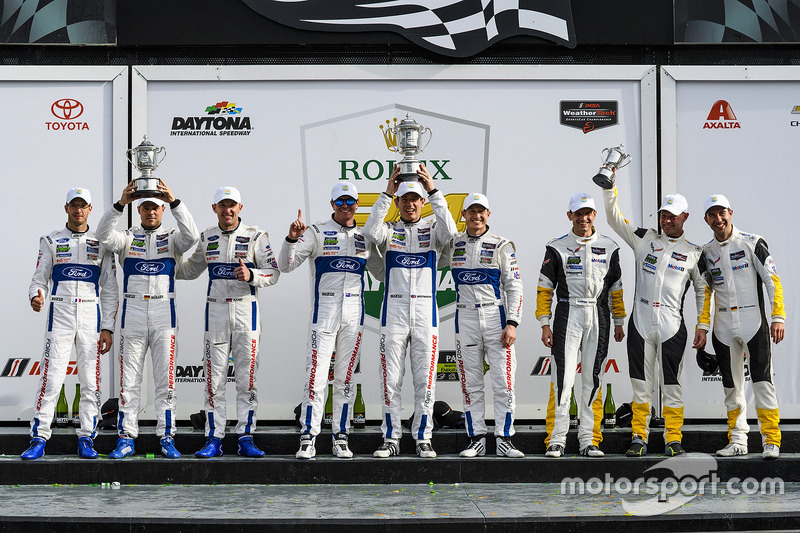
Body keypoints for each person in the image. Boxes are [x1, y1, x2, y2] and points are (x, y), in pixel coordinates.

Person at [599, 181, 710, 457]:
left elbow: (702, 291)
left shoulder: (695, 252)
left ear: (685, 217)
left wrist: (703, 326)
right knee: (640, 385)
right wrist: (609, 188)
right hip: (640, 324)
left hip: (672, 327)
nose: (667, 220)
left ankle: (673, 437)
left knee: (672, 386)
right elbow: (614, 220)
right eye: (663, 214)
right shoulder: (643, 238)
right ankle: (639, 435)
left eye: (673, 216)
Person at [96, 179, 199, 459]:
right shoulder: (127, 237)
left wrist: (175, 201)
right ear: (139, 210)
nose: (151, 212)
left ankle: (167, 437)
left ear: (162, 211)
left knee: (166, 382)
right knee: (129, 382)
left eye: (156, 208)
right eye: (146, 208)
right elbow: (103, 235)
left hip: (165, 314)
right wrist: (120, 204)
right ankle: (126, 438)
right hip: (133, 315)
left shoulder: (173, 237)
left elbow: (192, 236)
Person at [278, 182, 382, 459]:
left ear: (357, 204)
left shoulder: (366, 236)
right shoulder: (316, 231)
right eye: (340, 201)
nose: (345, 205)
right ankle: (309, 437)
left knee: (345, 379)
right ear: (332, 204)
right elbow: (286, 266)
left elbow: (382, 273)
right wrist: (291, 239)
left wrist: (389, 244)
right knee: (316, 376)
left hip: (354, 314)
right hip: (323, 311)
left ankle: (340, 436)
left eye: (350, 201)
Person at [176, 186, 280, 458]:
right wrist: (165, 261)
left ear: (240, 208)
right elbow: (189, 271)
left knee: (248, 381)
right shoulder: (207, 236)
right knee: (214, 381)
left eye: (232, 205)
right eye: (222, 205)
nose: (227, 210)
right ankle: (214, 438)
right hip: (217, 315)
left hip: (247, 314)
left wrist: (253, 275)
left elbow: (274, 273)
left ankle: (246, 436)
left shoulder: (256, 235)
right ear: (214, 209)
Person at [363, 164, 458, 458]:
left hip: (425, 313)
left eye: (415, 198)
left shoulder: (433, 228)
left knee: (424, 380)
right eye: (404, 199)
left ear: (421, 201)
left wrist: (433, 190)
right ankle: (391, 438)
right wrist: (387, 191)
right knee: (390, 379)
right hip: (393, 312)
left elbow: (452, 231)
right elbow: (369, 231)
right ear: (398, 202)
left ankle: (423, 438)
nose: (410, 204)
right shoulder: (388, 230)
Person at [21, 187, 118, 460]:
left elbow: (110, 289)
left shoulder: (102, 243)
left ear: (90, 209)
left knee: (90, 382)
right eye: (73, 205)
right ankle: (39, 437)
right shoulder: (51, 241)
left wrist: (108, 327)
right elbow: (38, 279)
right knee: (51, 380)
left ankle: (87, 436)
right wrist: (35, 296)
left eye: (83, 206)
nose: (78, 210)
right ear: (66, 208)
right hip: (60, 315)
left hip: (91, 317)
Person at [536, 193, 626, 458]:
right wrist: (544, 322)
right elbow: (544, 289)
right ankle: (557, 439)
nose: (583, 218)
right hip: (568, 311)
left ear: (594, 216)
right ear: (570, 216)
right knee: (564, 379)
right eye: (578, 214)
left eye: (588, 213)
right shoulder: (557, 246)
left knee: (592, 379)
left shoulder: (610, 247)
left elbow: (616, 289)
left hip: (598, 313)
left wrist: (619, 320)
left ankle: (589, 439)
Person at [702, 194, 785, 460]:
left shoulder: (752, 242)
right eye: (712, 215)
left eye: (722, 213)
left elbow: (773, 281)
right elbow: (704, 294)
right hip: (723, 325)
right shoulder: (706, 252)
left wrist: (778, 317)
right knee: (731, 386)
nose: (718, 219)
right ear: (706, 219)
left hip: (754, 322)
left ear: (731, 212)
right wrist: (703, 326)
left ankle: (771, 439)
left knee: (762, 381)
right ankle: (737, 439)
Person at [445, 193, 525, 458]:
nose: (476, 216)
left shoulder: (501, 245)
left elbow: (514, 286)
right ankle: (476, 438)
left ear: (488, 214)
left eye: (481, 212)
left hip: (495, 318)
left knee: (504, 383)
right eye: (471, 211)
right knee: (471, 383)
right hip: (465, 317)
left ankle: (504, 439)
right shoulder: (452, 242)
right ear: (464, 214)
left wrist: (512, 322)